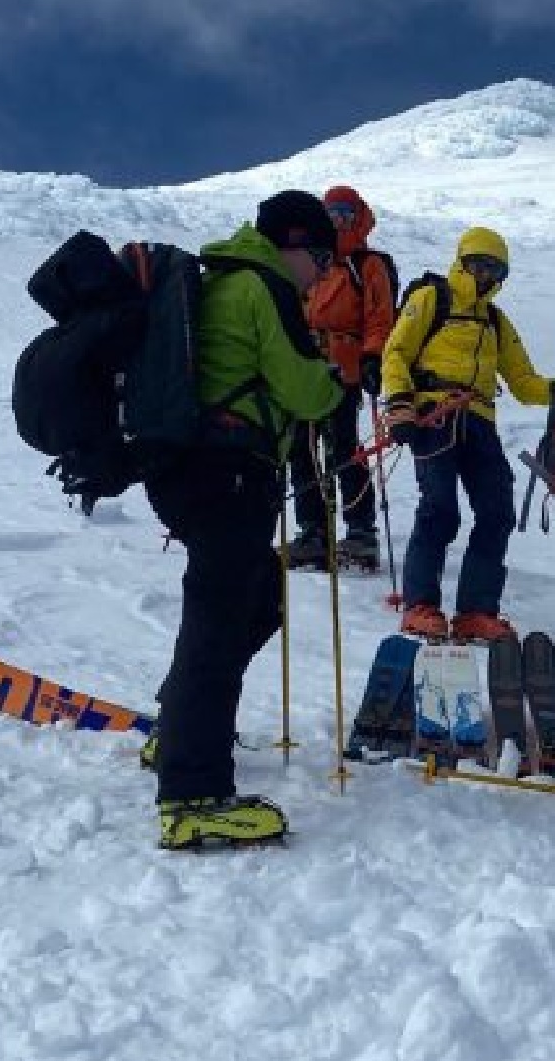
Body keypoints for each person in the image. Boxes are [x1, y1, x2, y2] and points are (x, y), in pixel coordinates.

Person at [147, 191, 343, 849]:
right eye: (318, 257)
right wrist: (336, 377)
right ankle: (193, 791)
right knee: (219, 617)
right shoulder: (265, 286)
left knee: (259, 601)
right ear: (292, 244)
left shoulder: (226, 279)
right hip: (226, 474)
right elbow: (305, 388)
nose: (320, 273)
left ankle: (179, 725)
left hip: (203, 474)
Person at [380, 226, 553, 639]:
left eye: (495, 268)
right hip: (435, 416)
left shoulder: (496, 321)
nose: (486, 275)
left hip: (479, 421)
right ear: (462, 262)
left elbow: (524, 382)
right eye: (480, 264)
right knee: (440, 509)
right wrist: (401, 405)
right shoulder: (430, 299)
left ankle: (476, 611)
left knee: (497, 512)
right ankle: (420, 605)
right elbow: (396, 352)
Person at [288, 185, 396, 571]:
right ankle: (313, 530)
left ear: (359, 218)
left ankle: (359, 530)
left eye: (346, 215)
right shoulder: (315, 262)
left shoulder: (366, 265)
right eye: (332, 214)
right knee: (300, 448)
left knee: (342, 448)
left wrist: (372, 357)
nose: (339, 222)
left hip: (344, 368)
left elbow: (380, 317)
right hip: (305, 367)